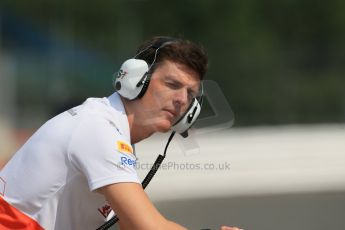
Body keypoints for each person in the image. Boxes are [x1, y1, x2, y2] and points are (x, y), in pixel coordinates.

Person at [0, 36, 242, 230]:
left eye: (190, 94)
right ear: (137, 79)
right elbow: (148, 227)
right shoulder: (99, 130)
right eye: (172, 84)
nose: (181, 100)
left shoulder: (114, 133)